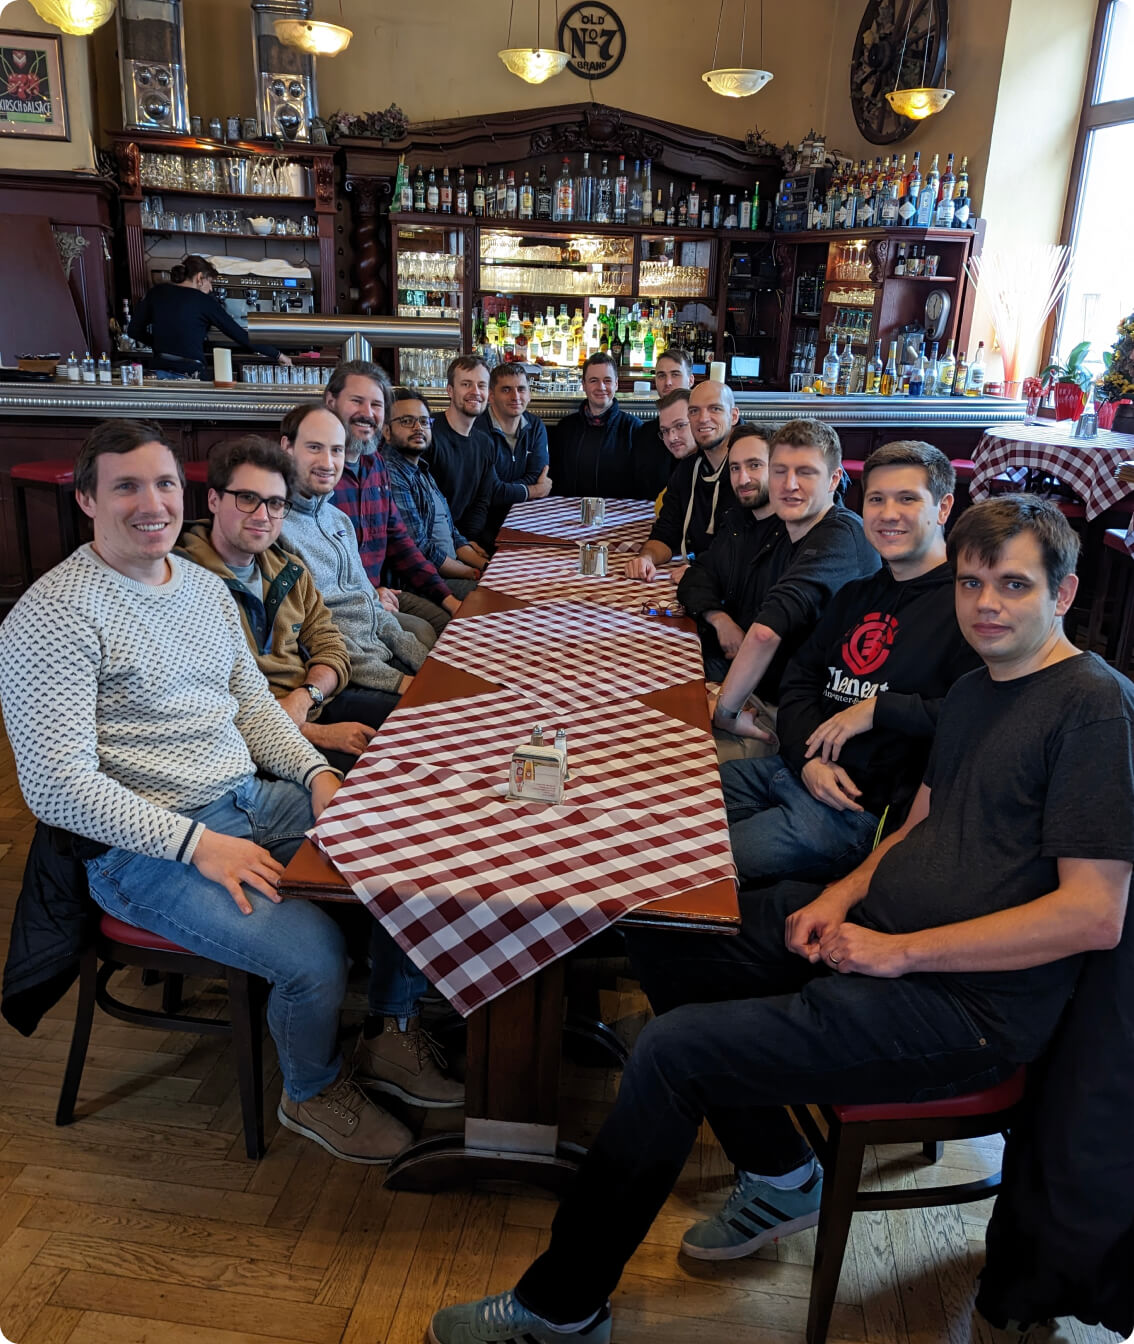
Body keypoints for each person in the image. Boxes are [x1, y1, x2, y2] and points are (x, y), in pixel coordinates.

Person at [427, 494, 1134, 1343]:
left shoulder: (1094, 707)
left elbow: (1094, 915)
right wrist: (839, 896)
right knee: (667, 920)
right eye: (972, 583)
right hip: (878, 936)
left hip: (964, 1007)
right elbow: (917, 825)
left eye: (1014, 585)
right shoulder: (979, 688)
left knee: (674, 1051)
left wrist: (899, 952)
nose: (986, 604)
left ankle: (561, 1307)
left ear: (1063, 593)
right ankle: (782, 1170)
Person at [0, 420, 463, 1170]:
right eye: (126, 486)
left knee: (401, 847)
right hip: (143, 848)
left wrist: (316, 776)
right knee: (313, 950)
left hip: (247, 796)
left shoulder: (202, 591)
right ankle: (309, 1090)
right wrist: (198, 845)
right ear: (87, 500)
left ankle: (391, 1028)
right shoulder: (52, 615)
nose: (152, 503)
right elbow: (57, 788)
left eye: (163, 484)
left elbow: (254, 711)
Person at [721, 441, 982, 886]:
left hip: (857, 811)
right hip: (794, 771)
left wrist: (879, 709)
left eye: (907, 499)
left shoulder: (970, 607)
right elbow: (800, 681)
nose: (887, 514)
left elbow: (975, 716)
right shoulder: (856, 595)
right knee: (667, 808)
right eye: (876, 499)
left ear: (943, 508)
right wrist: (807, 761)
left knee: (699, 865)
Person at [177, 434, 400, 773]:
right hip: (250, 745)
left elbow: (331, 647)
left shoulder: (289, 569)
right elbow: (202, 707)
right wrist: (315, 733)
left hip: (313, 705)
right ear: (213, 499)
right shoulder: (184, 583)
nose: (262, 515)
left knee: (421, 722)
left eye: (275, 503)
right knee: (382, 776)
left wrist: (305, 697)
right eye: (247, 498)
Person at [706, 418, 880, 721]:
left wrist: (724, 713)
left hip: (812, 718)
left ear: (833, 480)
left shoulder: (840, 534)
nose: (789, 485)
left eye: (805, 472)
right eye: (779, 471)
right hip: (774, 693)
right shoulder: (791, 532)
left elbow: (765, 633)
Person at [276, 403, 430, 702]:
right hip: (341, 679)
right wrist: (399, 681)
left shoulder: (338, 519)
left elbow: (370, 603)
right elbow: (316, 638)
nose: (327, 462)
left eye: (336, 450)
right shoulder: (276, 529)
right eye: (314, 447)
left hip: (378, 658)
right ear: (287, 447)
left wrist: (424, 664)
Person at [324, 359, 459, 643]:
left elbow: (400, 541)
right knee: (424, 633)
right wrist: (368, 593)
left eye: (376, 405)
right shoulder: (319, 471)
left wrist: (447, 597)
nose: (367, 413)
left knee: (452, 620)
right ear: (331, 402)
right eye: (357, 401)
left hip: (378, 592)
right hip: (338, 603)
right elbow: (317, 560)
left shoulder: (375, 464)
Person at [674, 426, 781, 680]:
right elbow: (697, 576)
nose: (742, 479)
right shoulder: (737, 521)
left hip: (765, 675)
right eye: (735, 468)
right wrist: (720, 619)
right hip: (727, 656)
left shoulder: (794, 530)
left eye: (754, 465)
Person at [626, 386, 755, 583]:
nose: (703, 418)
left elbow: (753, 547)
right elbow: (666, 533)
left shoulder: (752, 470)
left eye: (715, 409)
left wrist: (706, 570)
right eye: (694, 411)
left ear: (734, 416)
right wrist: (646, 558)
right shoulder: (687, 469)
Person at [382, 387, 484, 599]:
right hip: (424, 582)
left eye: (424, 421)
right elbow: (420, 548)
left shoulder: (421, 469)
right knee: (493, 596)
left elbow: (453, 534)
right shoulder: (391, 474)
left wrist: (485, 565)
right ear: (387, 432)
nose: (418, 427)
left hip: (452, 569)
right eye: (407, 421)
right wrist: (471, 572)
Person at [126, 255, 290, 378]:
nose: (211, 288)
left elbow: (133, 330)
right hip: (190, 374)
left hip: (157, 371)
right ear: (199, 278)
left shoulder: (157, 292)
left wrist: (161, 343)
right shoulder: (203, 301)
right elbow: (239, 334)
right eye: (210, 281)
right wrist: (277, 354)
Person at [548, 351, 644, 499]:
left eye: (607, 380)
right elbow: (556, 480)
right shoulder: (565, 428)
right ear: (584, 385)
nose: (601, 387)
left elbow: (640, 485)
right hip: (572, 510)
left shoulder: (633, 428)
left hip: (617, 511)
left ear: (616, 384)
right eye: (594, 380)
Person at [427, 355, 498, 553]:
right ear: (450, 390)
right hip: (431, 546)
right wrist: (460, 547)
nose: (475, 392)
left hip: (464, 542)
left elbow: (481, 502)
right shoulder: (427, 434)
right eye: (466, 384)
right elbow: (423, 507)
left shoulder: (485, 443)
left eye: (481, 385)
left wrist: (469, 540)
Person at [477, 363, 552, 537]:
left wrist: (504, 491)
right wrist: (534, 491)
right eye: (506, 390)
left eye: (521, 389)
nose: (515, 396)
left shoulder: (535, 426)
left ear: (529, 394)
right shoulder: (477, 429)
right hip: (484, 526)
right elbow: (489, 491)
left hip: (527, 521)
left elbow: (537, 475)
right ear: (491, 396)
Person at [630, 348, 696, 498]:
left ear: (691, 380)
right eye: (661, 376)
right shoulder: (644, 433)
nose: (668, 382)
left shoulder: (704, 430)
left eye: (675, 374)